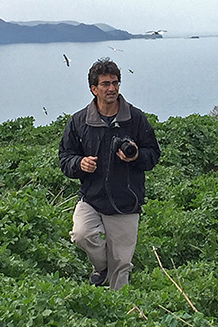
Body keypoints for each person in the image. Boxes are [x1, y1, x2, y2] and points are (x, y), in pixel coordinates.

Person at [59, 57, 161, 290]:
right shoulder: (78, 121)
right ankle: (101, 267)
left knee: (121, 267)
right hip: (91, 197)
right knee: (81, 235)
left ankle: (118, 312)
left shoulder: (135, 119)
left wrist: (135, 157)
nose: (112, 88)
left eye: (115, 83)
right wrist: (79, 164)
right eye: (105, 84)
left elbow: (153, 154)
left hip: (126, 201)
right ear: (93, 89)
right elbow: (65, 158)